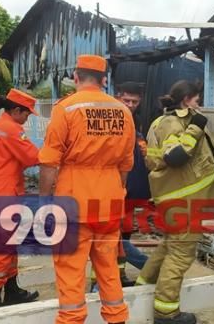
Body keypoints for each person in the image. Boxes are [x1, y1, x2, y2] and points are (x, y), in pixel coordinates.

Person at [39, 54, 135, 324]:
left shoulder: (66, 108)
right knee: (108, 268)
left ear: (75, 77)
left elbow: (49, 162)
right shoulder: (124, 111)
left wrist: (44, 202)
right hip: (110, 202)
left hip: (73, 203)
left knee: (70, 271)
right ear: (104, 80)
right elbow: (126, 164)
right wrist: (116, 191)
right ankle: (117, 318)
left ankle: (71, 319)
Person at [135, 80, 214, 324]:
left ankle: (143, 285)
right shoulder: (174, 123)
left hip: (177, 199)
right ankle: (166, 313)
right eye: (197, 100)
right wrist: (196, 128)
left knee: (170, 246)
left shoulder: (163, 121)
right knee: (180, 256)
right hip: (185, 201)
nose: (199, 105)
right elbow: (175, 157)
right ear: (186, 99)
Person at [0, 89, 41, 309]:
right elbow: (33, 157)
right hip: (3, 198)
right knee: (1, 248)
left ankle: (12, 290)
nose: (27, 118)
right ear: (16, 110)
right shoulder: (12, 129)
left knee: (8, 245)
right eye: (27, 114)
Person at [90, 81, 150, 293]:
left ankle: (119, 274)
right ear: (117, 97)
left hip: (129, 191)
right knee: (109, 238)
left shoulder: (135, 122)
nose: (130, 105)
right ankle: (100, 282)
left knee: (123, 234)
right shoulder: (107, 120)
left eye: (135, 101)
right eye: (127, 100)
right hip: (110, 189)